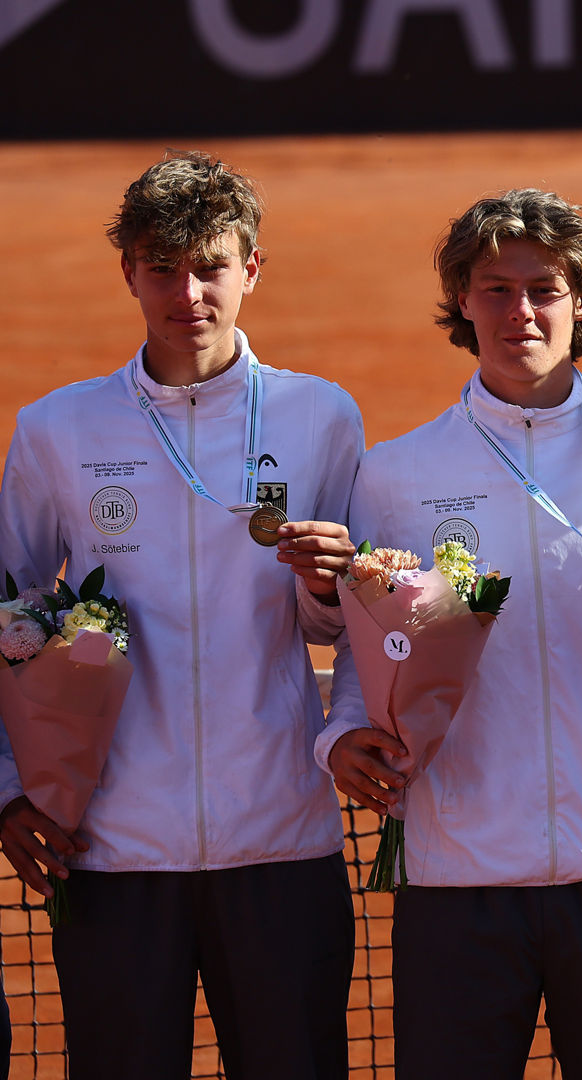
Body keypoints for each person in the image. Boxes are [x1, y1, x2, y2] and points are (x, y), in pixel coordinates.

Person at [319, 188, 582, 1080]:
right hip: (458, 882)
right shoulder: (394, 473)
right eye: (495, 289)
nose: (520, 312)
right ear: (461, 302)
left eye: (543, 287)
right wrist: (340, 735)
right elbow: (374, 658)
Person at [0, 151, 362, 1079]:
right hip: (113, 849)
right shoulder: (58, 429)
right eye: (162, 267)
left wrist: (328, 587)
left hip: (281, 839)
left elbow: (347, 629)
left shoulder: (321, 417)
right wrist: (4, 783)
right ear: (128, 272)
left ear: (252, 269)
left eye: (210, 265)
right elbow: (9, 610)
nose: (187, 291)